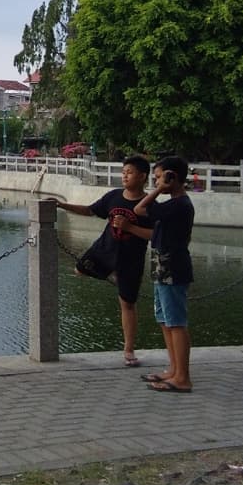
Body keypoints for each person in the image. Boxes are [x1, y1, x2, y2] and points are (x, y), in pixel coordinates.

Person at [55, 155, 154, 367]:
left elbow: (155, 235)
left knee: (127, 303)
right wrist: (63, 205)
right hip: (104, 250)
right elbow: (90, 210)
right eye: (123, 171)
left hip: (131, 258)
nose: (125, 175)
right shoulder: (114, 196)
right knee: (79, 270)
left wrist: (130, 228)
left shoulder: (149, 205)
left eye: (130, 172)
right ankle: (111, 274)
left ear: (143, 176)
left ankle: (128, 349)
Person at [116, 155, 195, 393]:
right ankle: (174, 369)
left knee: (176, 323)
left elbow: (140, 208)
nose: (157, 182)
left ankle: (183, 377)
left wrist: (160, 189)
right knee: (165, 320)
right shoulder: (171, 205)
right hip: (162, 267)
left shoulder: (179, 204)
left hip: (173, 269)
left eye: (160, 177)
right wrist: (162, 188)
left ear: (173, 177)